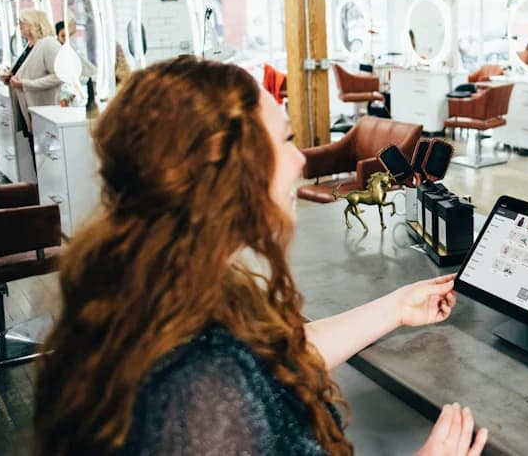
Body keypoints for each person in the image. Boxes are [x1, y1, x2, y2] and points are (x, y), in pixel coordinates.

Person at [34, 58, 487, 456]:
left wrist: (395, 308)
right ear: (231, 172)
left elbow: (275, 359)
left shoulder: (156, 288)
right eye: (286, 140)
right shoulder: (199, 390)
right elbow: (237, 379)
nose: (300, 161)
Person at [7, 9, 62, 136]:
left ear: (35, 23)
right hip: (27, 107)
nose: (19, 25)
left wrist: (25, 84)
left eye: (23, 22)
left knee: (42, 150)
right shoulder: (30, 45)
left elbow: (58, 76)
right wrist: (10, 77)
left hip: (43, 109)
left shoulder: (49, 44)